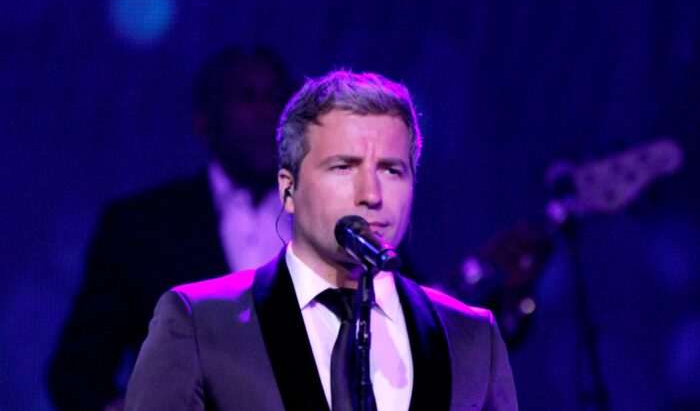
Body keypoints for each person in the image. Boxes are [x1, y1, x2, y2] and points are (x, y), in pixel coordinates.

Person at [124, 71, 518, 410]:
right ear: (288, 189)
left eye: (392, 170)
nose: (372, 193)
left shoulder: (471, 336)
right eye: (344, 166)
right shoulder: (199, 321)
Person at [48, 46, 294, 410]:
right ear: (204, 122)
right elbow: (76, 370)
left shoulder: (332, 221)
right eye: (246, 98)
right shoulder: (142, 226)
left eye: (277, 98)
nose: (266, 113)